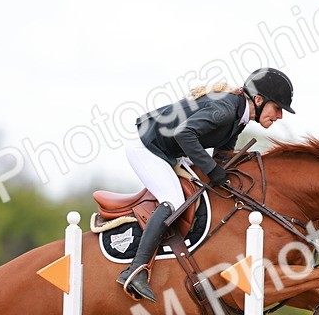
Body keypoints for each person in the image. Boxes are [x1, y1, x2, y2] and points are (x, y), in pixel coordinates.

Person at [117, 67, 295, 302]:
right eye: (277, 108)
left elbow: (222, 155)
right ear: (259, 100)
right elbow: (184, 134)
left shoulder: (238, 117)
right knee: (173, 201)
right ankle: (136, 270)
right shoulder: (225, 110)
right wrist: (212, 170)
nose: (279, 116)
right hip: (148, 149)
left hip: (171, 152)